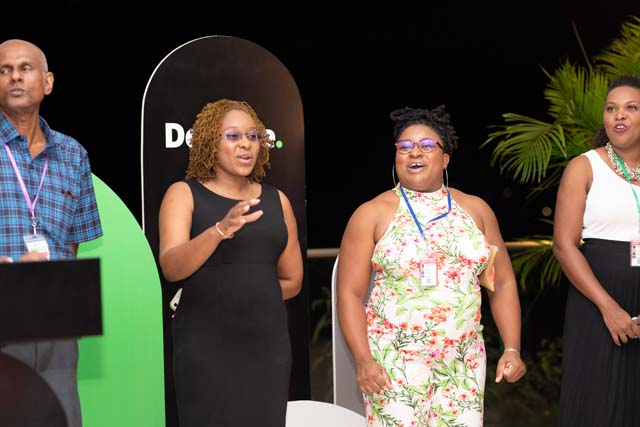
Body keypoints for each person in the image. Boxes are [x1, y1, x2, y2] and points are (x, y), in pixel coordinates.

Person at [337, 105, 525, 426]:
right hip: (393, 363)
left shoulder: (476, 211)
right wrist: (364, 360)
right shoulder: (371, 213)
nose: (415, 153)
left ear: (445, 158)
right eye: (405, 147)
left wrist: (512, 348)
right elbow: (349, 294)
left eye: (426, 145)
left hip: (462, 362)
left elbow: (502, 282)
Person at [158, 99, 303, 426]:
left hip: (266, 346)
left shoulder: (277, 200)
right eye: (233, 136)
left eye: (253, 136)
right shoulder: (183, 194)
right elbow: (172, 267)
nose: (246, 144)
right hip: (205, 345)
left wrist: (252, 297)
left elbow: (293, 280)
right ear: (210, 142)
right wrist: (220, 230)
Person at [0, 39, 103, 427]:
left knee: (60, 418)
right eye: (4, 70)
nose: (14, 76)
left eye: (25, 68)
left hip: (56, 321)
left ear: (48, 82)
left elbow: (72, 244)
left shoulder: (73, 154)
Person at [553, 75, 640, 427]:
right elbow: (564, 245)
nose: (619, 115)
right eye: (611, 108)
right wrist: (610, 308)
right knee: (597, 407)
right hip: (598, 304)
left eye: (631, 108)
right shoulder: (584, 166)